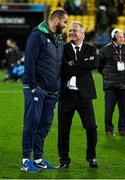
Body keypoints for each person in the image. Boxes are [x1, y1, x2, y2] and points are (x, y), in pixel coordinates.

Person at [21, 9, 68, 172]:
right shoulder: (37, 36)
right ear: (56, 21)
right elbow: (29, 61)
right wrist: (33, 86)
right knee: (31, 124)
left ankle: (38, 158)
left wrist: (58, 87)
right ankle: (26, 160)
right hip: (37, 88)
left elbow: (59, 66)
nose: (65, 26)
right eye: (65, 22)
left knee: (44, 126)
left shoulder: (59, 40)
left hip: (52, 92)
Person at [58, 21, 98, 168]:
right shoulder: (62, 49)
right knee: (63, 130)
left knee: (91, 127)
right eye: (69, 31)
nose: (71, 33)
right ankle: (64, 160)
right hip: (66, 95)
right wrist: (82, 64)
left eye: (74, 31)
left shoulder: (90, 49)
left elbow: (93, 65)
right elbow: (63, 69)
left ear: (82, 34)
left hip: (84, 96)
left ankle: (91, 156)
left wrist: (73, 64)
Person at [98, 28, 125, 136]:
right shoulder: (105, 50)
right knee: (109, 109)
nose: (122, 38)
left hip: (124, 85)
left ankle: (122, 129)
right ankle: (109, 129)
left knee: (124, 110)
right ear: (113, 37)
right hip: (111, 86)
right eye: (119, 36)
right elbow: (99, 66)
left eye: (123, 36)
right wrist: (106, 75)